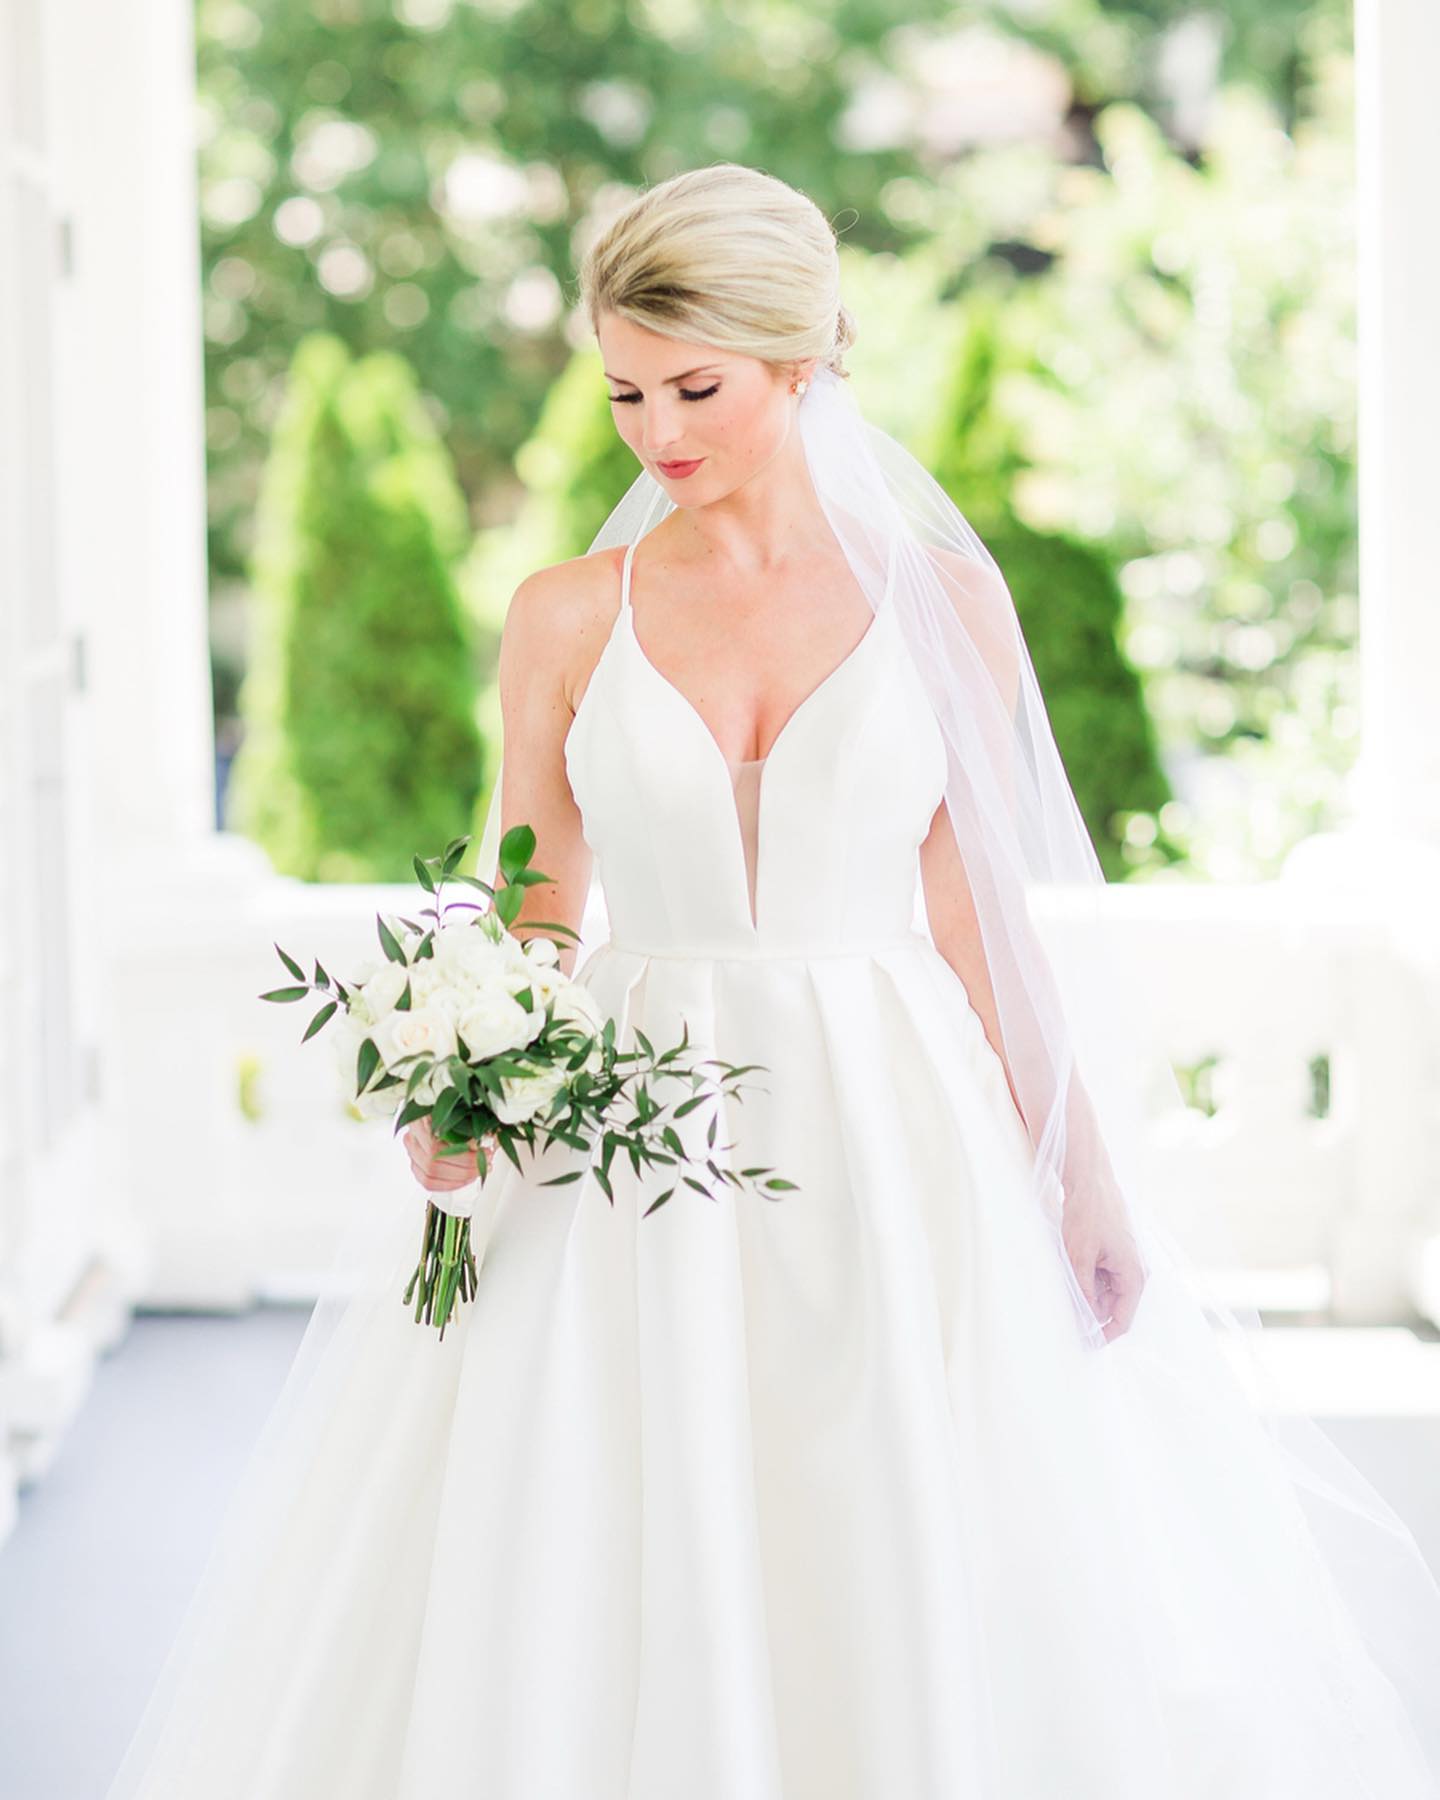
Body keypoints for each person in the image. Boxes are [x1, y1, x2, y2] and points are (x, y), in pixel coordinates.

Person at [106, 163, 1440, 1800]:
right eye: (623, 391)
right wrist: (462, 1091)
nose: (657, 431)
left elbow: (983, 922)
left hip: (890, 1131)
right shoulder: (564, 616)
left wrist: (1081, 1176)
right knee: (605, 1516)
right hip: (625, 1140)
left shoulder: (943, 601)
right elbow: (532, 904)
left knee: (883, 1516)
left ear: (801, 362)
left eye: (697, 386)